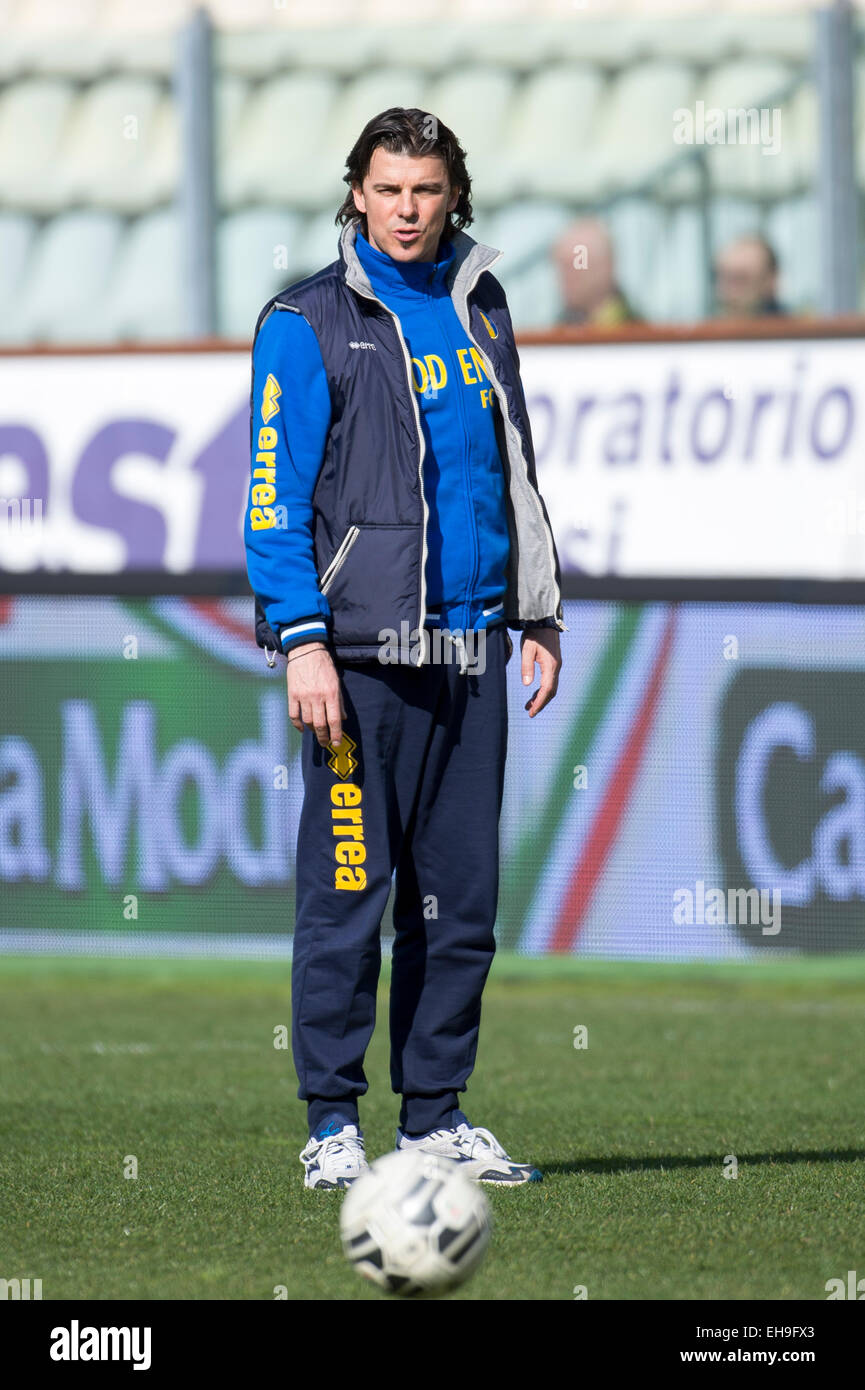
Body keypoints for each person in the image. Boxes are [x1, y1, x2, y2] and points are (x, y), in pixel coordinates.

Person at [244, 107, 564, 1191]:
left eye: (425, 190)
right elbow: (270, 507)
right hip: (360, 659)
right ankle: (332, 1122)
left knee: (458, 906)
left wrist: (538, 613)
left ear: (453, 196)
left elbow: (510, 467)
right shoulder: (304, 320)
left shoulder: (483, 304)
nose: (407, 210)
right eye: (387, 189)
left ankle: (434, 1117)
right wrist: (302, 644)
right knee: (347, 896)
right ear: (356, 195)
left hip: (471, 653)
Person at [552, 216, 642, 327]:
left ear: (606, 267)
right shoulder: (560, 330)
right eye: (562, 266)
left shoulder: (639, 334)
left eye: (577, 266)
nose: (566, 277)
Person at [712, 234, 788, 317]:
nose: (727, 291)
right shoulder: (706, 326)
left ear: (771, 280)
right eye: (723, 278)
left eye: (740, 279)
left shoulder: (796, 327)